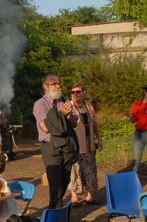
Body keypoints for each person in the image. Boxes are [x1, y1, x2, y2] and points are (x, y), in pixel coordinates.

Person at [33, 74, 78, 209]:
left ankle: (60, 216)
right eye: (54, 83)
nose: (58, 86)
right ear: (45, 87)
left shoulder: (64, 101)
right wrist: (61, 115)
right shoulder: (40, 104)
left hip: (67, 147)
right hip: (51, 148)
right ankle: (55, 217)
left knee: (64, 183)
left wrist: (69, 117)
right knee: (55, 186)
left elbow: (75, 123)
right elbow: (45, 128)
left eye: (59, 83)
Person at [68, 83, 102, 205]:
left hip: (89, 145)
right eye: (73, 92)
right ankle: (74, 196)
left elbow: (95, 125)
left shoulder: (89, 106)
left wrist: (99, 139)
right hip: (75, 146)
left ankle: (89, 195)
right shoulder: (68, 107)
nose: (76, 94)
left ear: (83, 93)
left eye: (78, 92)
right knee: (74, 172)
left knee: (90, 170)